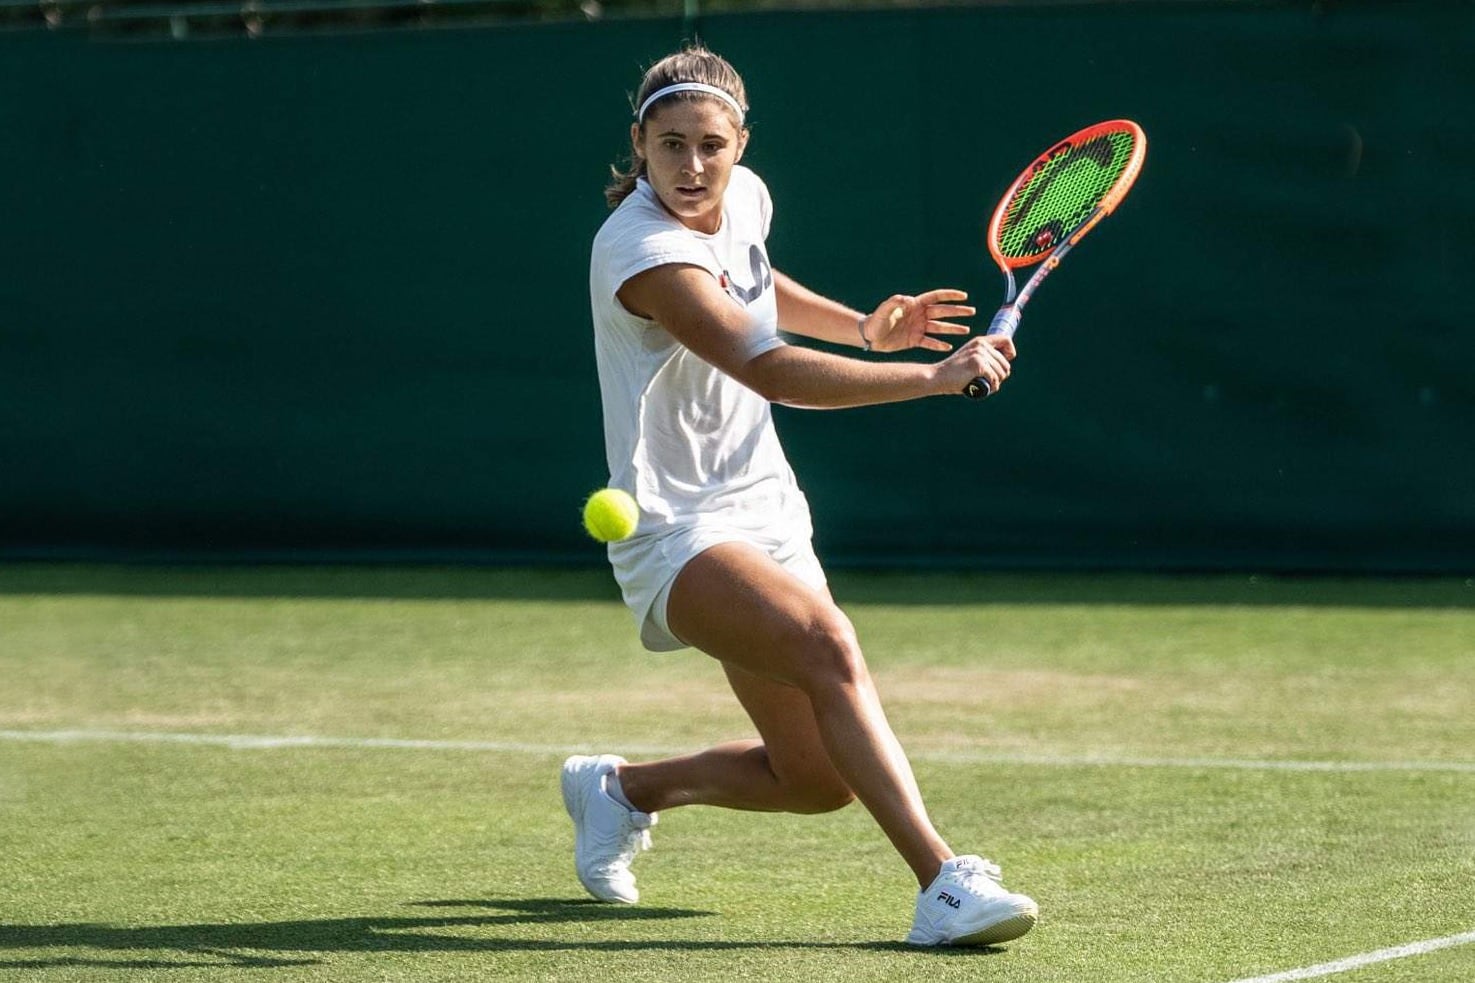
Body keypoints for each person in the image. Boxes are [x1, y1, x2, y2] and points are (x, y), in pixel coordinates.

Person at [566, 44, 1035, 948]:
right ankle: (942, 883)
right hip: (674, 524)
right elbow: (766, 365)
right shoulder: (638, 246)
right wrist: (929, 377)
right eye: (669, 146)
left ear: (740, 141)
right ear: (639, 142)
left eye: (710, 144)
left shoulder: (741, 196)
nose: (692, 167)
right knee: (827, 644)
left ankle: (622, 789)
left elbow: (751, 285)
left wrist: (863, 326)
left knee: (816, 778)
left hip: (764, 503)